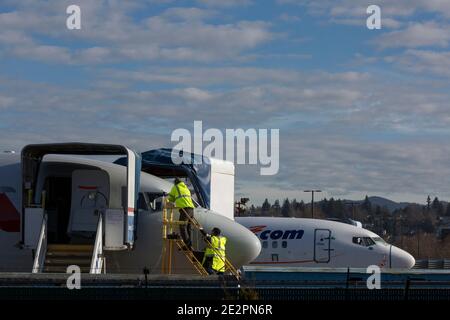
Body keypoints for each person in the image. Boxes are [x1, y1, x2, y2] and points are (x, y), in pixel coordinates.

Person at [167, 177, 195, 249]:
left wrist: (167, 201)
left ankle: (187, 245)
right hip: (191, 209)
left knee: (182, 226)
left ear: (175, 183)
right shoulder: (186, 188)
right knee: (188, 227)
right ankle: (189, 244)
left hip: (184, 209)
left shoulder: (175, 187)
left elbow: (170, 198)